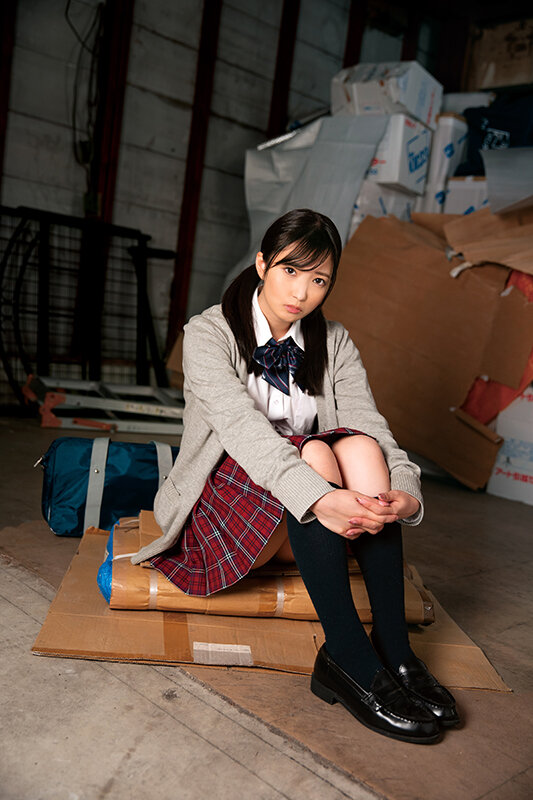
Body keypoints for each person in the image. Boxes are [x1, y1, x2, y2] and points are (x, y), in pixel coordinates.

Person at [131, 208, 459, 744]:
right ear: (262, 264)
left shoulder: (334, 341)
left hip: (316, 521)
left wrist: (404, 494)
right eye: (289, 270)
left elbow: (371, 426)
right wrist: (322, 496)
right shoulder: (208, 334)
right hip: (229, 512)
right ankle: (347, 654)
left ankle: (395, 650)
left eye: (319, 280)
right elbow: (246, 435)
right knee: (317, 454)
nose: (302, 292)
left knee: (359, 445)